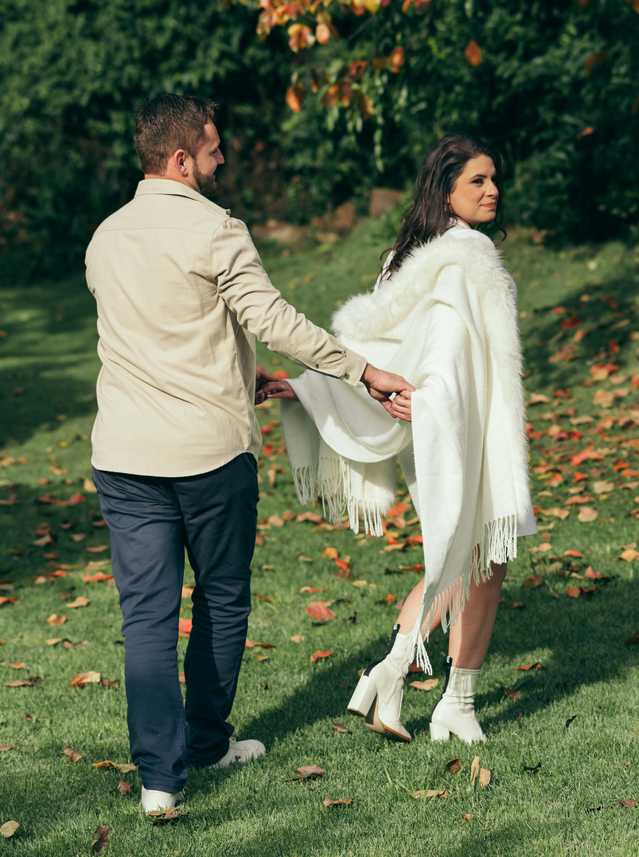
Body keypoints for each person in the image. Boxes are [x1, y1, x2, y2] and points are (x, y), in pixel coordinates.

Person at [85, 94, 414, 814]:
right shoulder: (216, 228)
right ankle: (206, 742)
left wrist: (242, 375)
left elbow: (151, 334)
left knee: (145, 616)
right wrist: (364, 370)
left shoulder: (105, 238)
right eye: (213, 148)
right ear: (180, 159)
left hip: (124, 455)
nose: (222, 158)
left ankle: (159, 780)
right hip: (206, 455)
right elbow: (271, 319)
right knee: (222, 598)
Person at [265, 134, 536, 745]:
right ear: (447, 191)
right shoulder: (469, 255)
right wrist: (436, 398)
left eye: (495, 179)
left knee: (474, 553)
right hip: (455, 420)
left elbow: (382, 348)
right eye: (477, 182)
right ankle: (418, 684)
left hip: (436, 420)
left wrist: (308, 385)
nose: (493, 191)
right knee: (480, 552)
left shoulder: (405, 259)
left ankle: (429, 693)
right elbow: (444, 345)